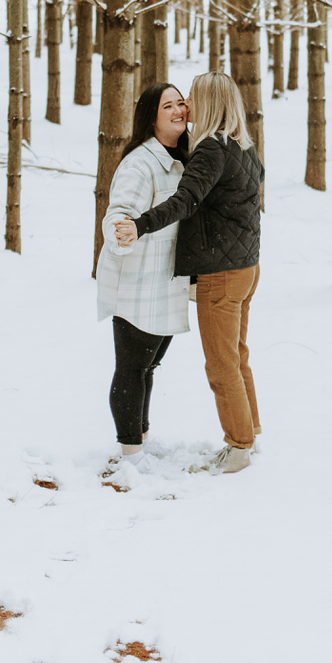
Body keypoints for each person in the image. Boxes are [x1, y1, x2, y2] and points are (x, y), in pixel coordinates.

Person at [115, 71, 263, 475]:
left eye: (192, 98)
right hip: (248, 266)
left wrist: (140, 224)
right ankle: (250, 431)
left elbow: (184, 200)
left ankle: (238, 447)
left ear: (211, 103)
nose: (186, 106)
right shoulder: (243, 145)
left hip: (222, 271)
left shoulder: (211, 148)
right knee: (237, 355)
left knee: (220, 363)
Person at [98, 83, 191, 474]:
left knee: (148, 367)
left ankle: (142, 441)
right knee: (133, 367)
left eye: (181, 102)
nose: (178, 110)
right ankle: (130, 455)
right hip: (138, 282)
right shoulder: (140, 162)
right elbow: (118, 211)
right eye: (167, 105)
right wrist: (121, 231)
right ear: (150, 117)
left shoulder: (183, 157)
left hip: (166, 282)